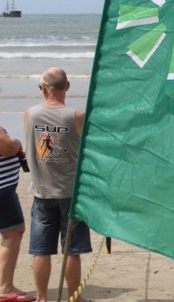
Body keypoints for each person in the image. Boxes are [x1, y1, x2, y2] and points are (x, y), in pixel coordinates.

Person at [23, 67, 92, 302]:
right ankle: (75, 297)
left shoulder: (29, 114)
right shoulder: (77, 116)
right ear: (68, 86)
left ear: (43, 88)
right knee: (72, 250)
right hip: (70, 192)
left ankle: (42, 297)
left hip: (43, 191)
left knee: (41, 249)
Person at [1, 128, 35, 302]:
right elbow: (6, 147)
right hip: (2, 190)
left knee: (11, 234)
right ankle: (4, 288)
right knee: (13, 234)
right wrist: (17, 143)